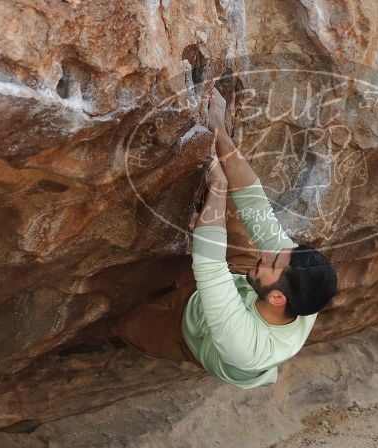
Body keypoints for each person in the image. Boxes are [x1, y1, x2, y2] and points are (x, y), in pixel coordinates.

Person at [113, 88, 337, 389]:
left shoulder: (243, 345)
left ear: (277, 298)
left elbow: (210, 266)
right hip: (239, 286)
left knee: (128, 326)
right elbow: (256, 205)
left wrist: (217, 186)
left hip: (192, 333)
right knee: (241, 209)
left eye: (273, 262)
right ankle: (220, 141)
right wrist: (218, 128)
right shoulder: (295, 284)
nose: (267, 254)